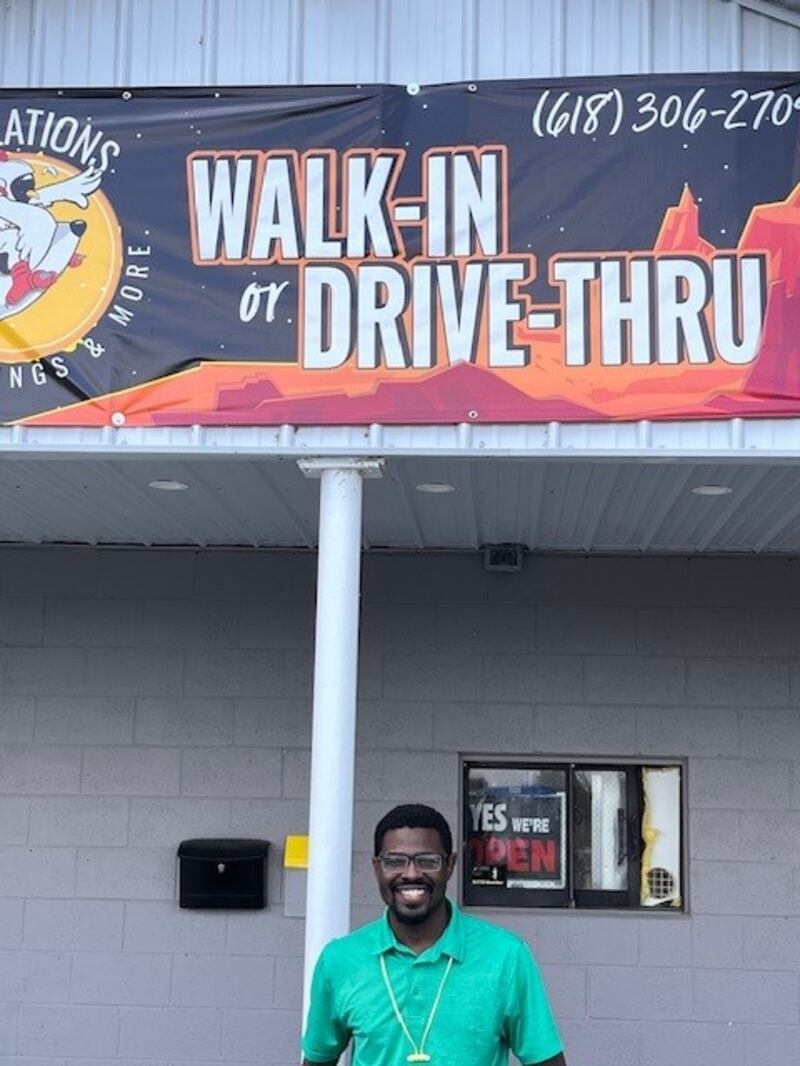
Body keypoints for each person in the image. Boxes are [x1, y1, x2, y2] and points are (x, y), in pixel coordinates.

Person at [301, 803, 566, 1066]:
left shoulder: (506, 956)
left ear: (450, 865)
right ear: (376, 867)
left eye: (428, 861)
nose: (411, 874)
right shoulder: (340, 960)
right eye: (394, 861)